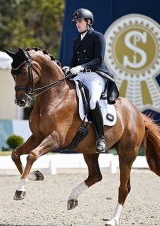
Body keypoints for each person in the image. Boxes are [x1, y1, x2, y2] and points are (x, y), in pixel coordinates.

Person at [65, 8, 119, 153]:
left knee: (93, 101)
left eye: (80, 21)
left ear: (88, 22)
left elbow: (98, 60)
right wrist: (69, 69)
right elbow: (73, 61)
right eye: (76, 22)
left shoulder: (97, 36)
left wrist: (80, 67)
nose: (77, 24)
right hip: (80, 75)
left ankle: (101, 138)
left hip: (95, 76)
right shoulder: (76, 40)